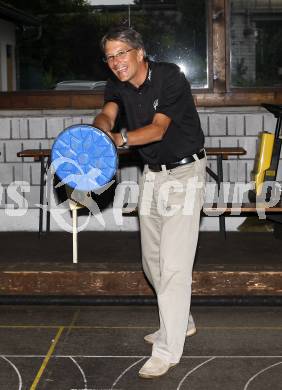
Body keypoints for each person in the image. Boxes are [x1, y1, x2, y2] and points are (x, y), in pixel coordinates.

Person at [93, 26, 206, 379]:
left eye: (120, 54)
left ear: (139, 52)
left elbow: (157, 130)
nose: (115, 62)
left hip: (186, 175)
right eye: (109, 57)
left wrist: (116, 139)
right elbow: (108, 114)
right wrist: (96, 133)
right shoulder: (118, 84)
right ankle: (180, 320)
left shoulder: (169, 77)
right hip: (152, 176)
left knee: (174, 268)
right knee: (152, 263)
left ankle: (167, 351)